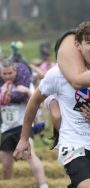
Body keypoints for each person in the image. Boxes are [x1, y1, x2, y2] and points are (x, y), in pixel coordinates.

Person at [13, 21, 90, 188]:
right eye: (89, 42)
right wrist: (24, 138)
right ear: (78, 45)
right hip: (74, 143)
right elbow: (34, 101)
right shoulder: (57, 75)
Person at [0, 59, 48, 188]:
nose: (7, 76)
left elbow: (36, 102)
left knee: (30, 156)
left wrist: (26, 92)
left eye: (10, 73)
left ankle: (43, 186)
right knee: (6, 166)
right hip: (6, 129)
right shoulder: (1, 88)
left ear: (15, 71)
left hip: (22, 127)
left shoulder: (24, 85)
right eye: (4, 73)